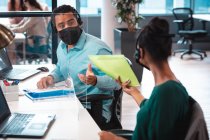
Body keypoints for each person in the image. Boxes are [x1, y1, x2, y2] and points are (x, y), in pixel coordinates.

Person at [99, 17, 190, 140]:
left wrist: (114, 139)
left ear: (140, 52)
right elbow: (155, 110)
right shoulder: (171, 86)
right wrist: (135, 92)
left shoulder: (165, 92)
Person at [37, 5, 120, 126]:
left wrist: (95, 80)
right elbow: (61, 68)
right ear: (56, 30)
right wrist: (51, 78)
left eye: (71, 23)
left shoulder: (98, 48)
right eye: (61, 26)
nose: (67, 28)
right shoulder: (61, 46)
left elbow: (117, 82)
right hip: (71, 103)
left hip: (93, 108)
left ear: (79, 22)